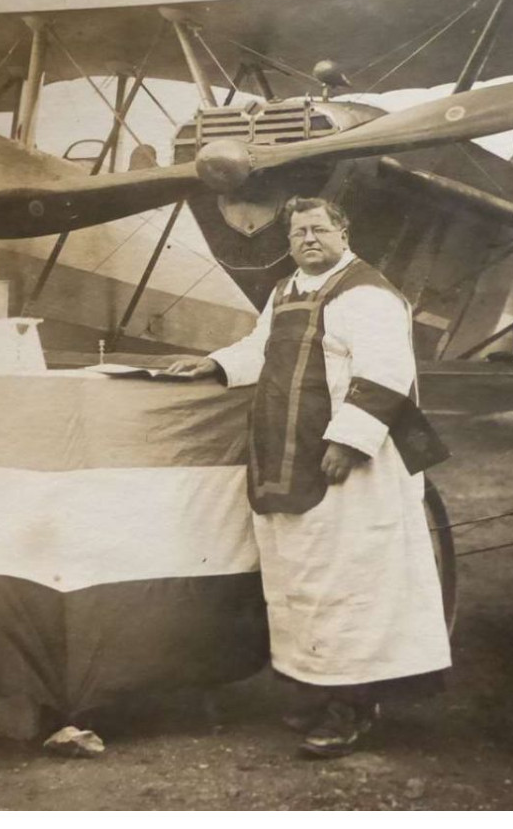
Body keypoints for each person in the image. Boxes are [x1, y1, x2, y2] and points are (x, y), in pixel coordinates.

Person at [166, 196, 451, 757]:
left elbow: (386, 371)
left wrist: (348, 442)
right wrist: (216, 363)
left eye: (319, 229)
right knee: (303, 577)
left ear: (344, 233)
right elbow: (262, 348)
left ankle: (352, 708)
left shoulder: (367, 293)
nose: (308, 240)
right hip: (289, 453)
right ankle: (317, 693)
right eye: (298, 232)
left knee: (350, 580)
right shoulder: (285, 291)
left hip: (348, 463)